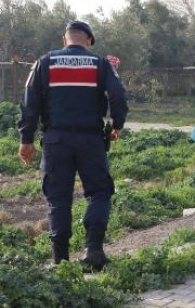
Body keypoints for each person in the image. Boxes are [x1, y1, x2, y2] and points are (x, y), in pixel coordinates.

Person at [17, 20, 128, 270]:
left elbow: (29, 103)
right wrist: (117, 124)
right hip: (91, 140)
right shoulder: (101, 63)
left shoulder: (45, 62)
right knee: (99, 193)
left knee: (58, 199)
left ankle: (61, 261)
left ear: (64, 39)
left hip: (56, 141)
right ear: (89, 41)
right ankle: (94, 251)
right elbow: (118, 95)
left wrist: (26, 140)